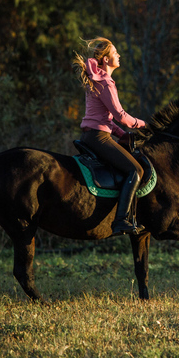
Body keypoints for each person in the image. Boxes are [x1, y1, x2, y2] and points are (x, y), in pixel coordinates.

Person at [72, 37, 147, 236]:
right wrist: (145, 125)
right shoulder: (105, 82)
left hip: (93, 135)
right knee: (135, 170)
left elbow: (106, 120)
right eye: (115, 53)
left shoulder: (97, 78)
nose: (119, 55)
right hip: (99, 138)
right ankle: (121, 220)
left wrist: (123, 135)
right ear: (106, 59)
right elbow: (121, 116)